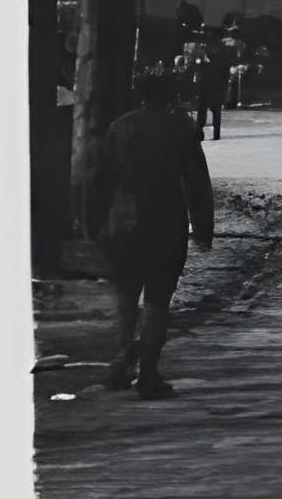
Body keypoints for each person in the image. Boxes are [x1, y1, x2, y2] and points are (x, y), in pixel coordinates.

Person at [83, 64, 215, 399]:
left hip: (122, 224)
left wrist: (92, 223)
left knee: (126, 297)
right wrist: (203, 226)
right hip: (165, 221)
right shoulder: (180, 128)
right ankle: (148, 373)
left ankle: (120, 364)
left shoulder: (120, 127)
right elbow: (197, 181)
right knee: (158, 299)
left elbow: (99, 181)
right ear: (172, 94)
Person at [190, 36, 230, 143]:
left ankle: (200, 133)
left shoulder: (204, 54)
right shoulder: (222, 54)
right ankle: (215, 134)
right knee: (214, 110)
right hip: (215, 85)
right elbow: (225, 72)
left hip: (207, 85)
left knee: (203, 110)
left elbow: (197, 69)